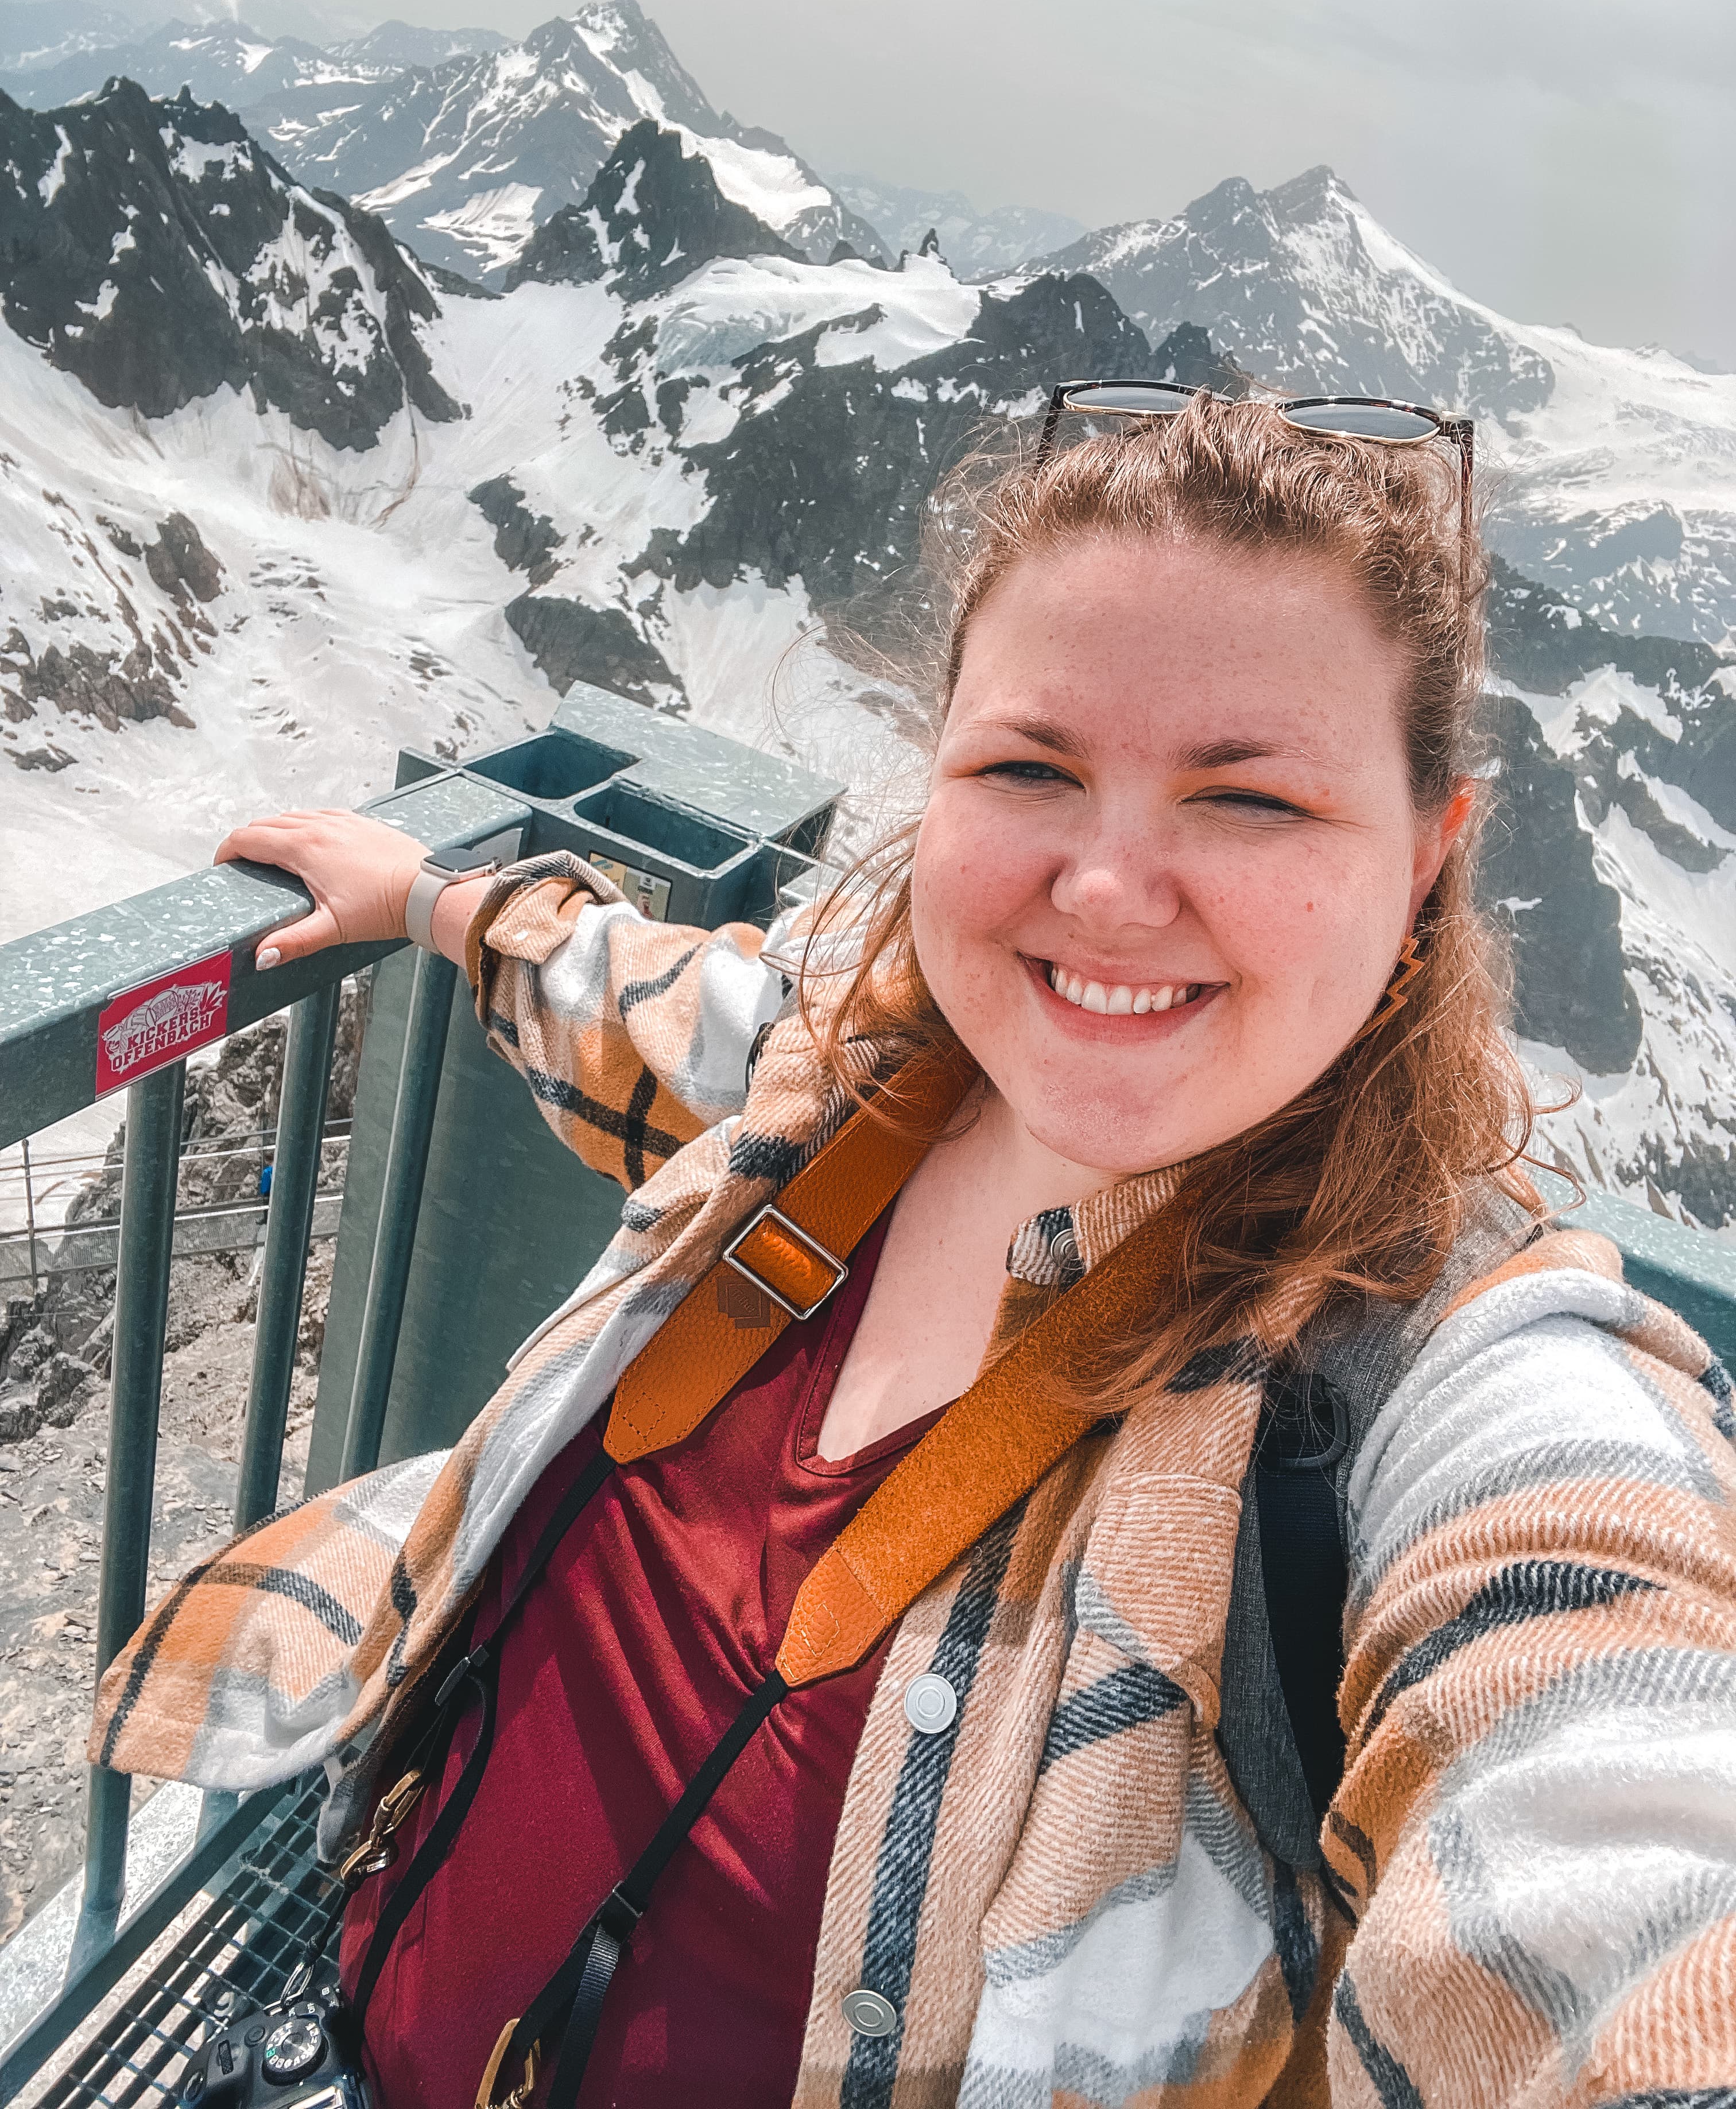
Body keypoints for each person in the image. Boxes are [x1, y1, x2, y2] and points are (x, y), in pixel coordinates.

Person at [93, 394, 1736, 2108]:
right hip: (340, 2035)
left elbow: (1618, 1780)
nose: (1106, 890)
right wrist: (437, 901)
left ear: (1425, 866)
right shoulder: (848, 1078)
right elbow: (650, 1012)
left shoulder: (1419, 1387)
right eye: (1029, 769)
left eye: (1249, 801)